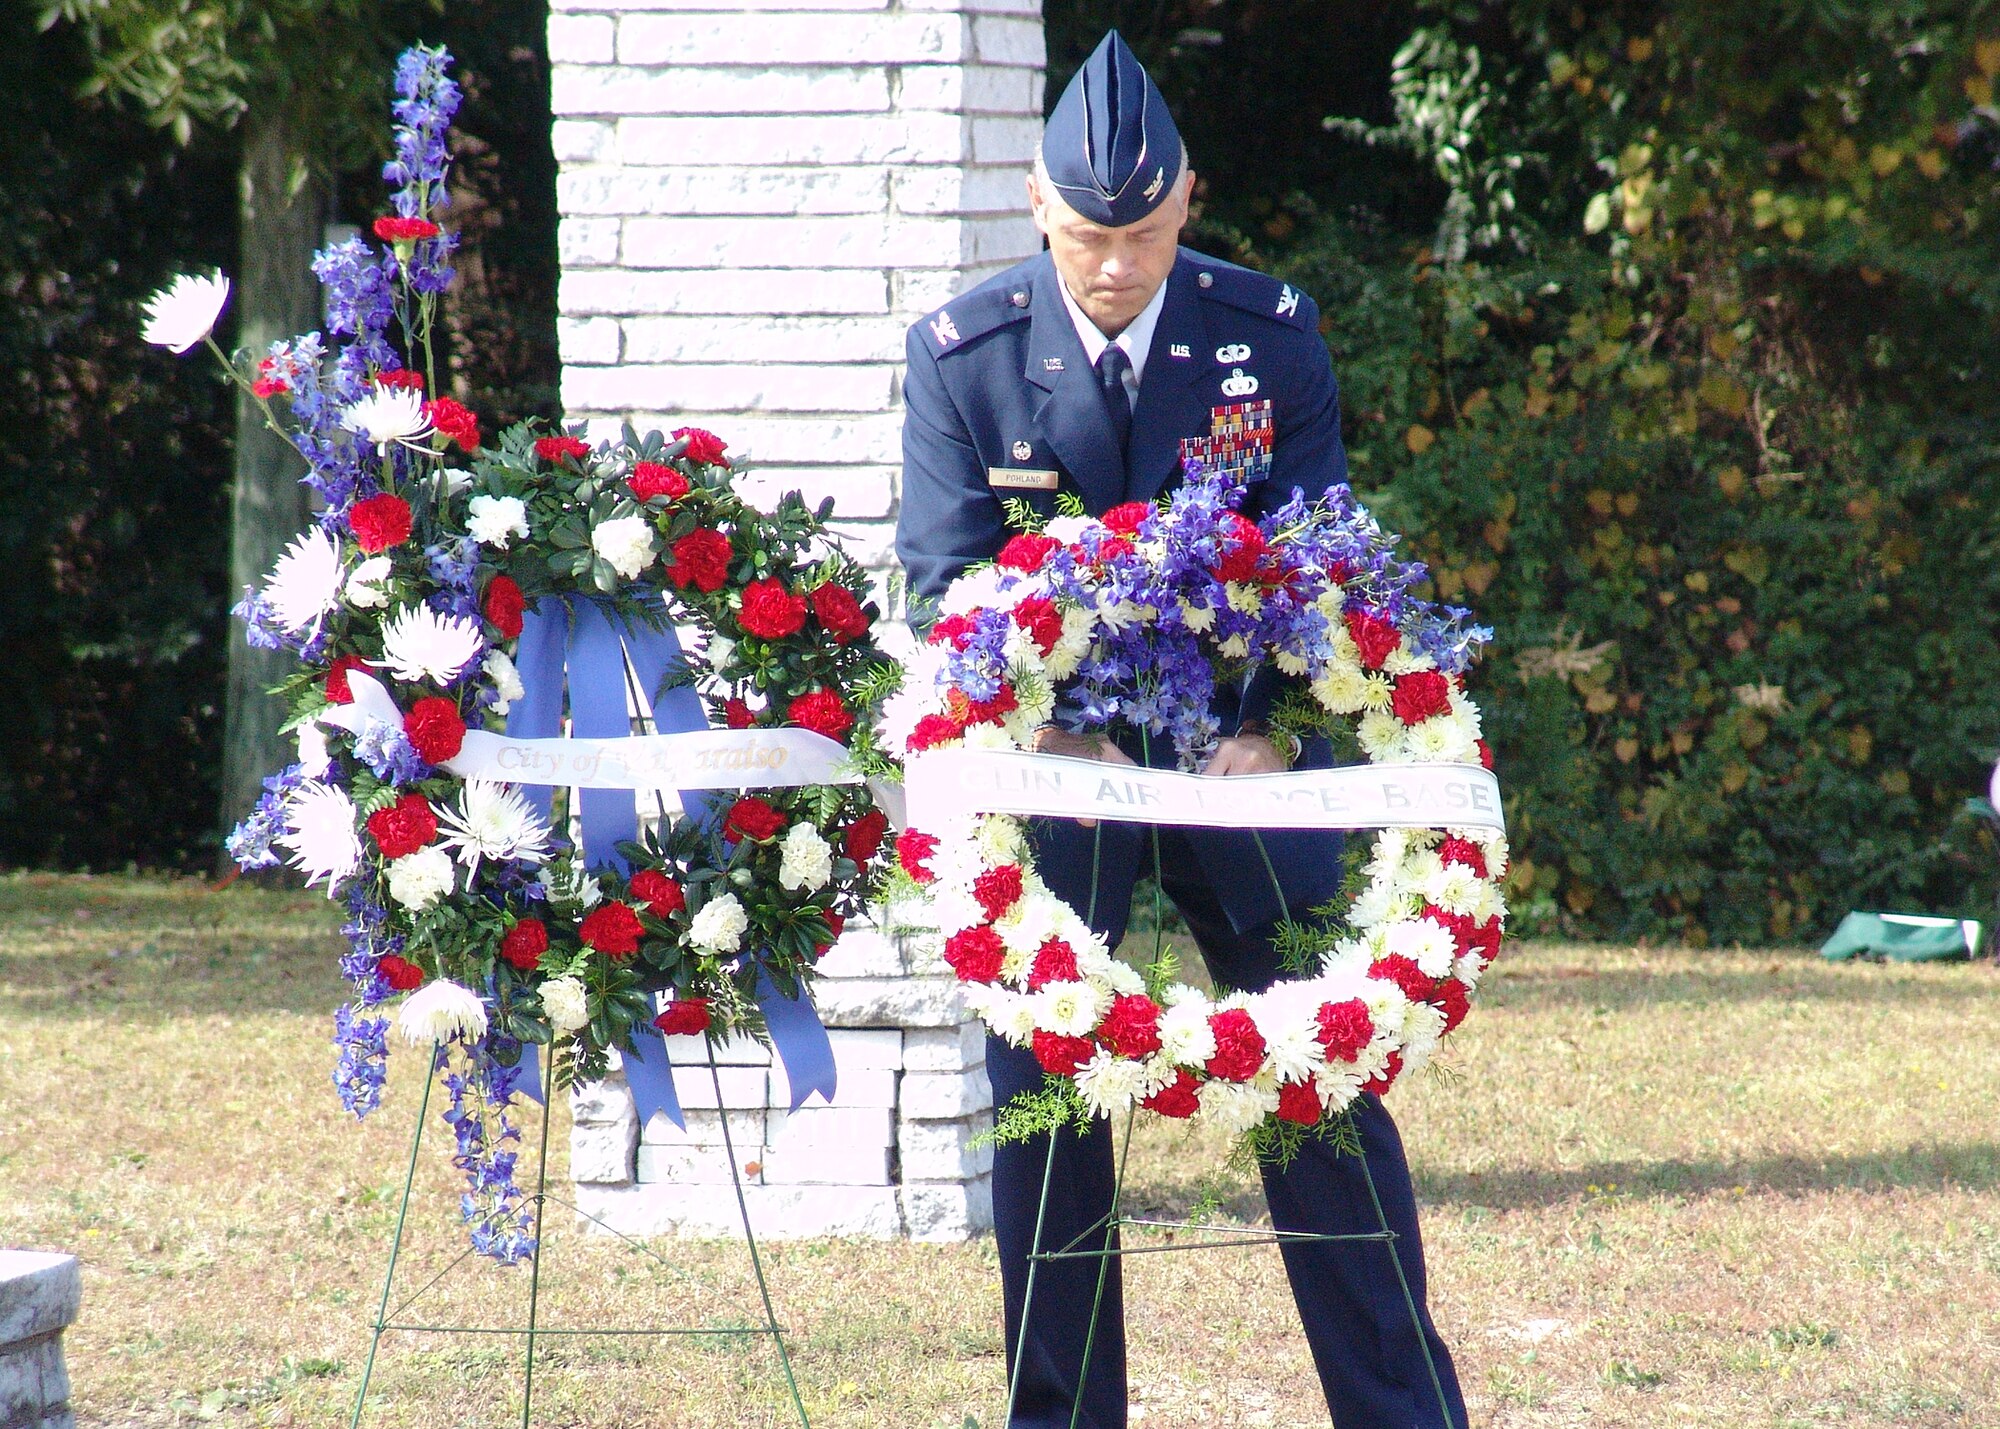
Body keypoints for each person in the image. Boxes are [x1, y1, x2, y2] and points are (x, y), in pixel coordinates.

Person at [895, 30, 1468, 1429]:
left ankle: (1402, 1410)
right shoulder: (964, 358)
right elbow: (943, 580)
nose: (1113, 264)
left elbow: (1322, 554)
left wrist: (1272, 727)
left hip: (1239, 762)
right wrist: (1060, 742)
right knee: (1047, 1113)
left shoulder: (1266, 334)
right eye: (1090, 232)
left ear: (1189, 202)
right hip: (1063, 771)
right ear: (1039, 204)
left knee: (1322, 1085)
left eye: (1144, 231)